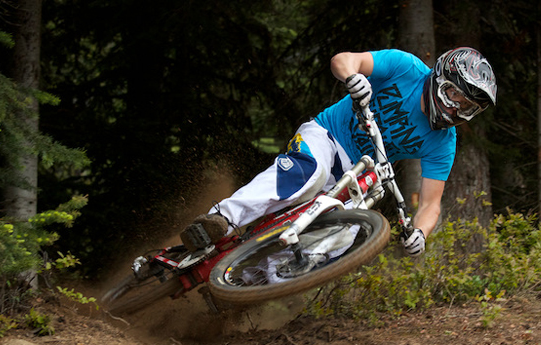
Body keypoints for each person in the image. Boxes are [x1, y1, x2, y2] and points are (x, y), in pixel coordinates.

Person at [180, 47, 497, 257]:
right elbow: (344, 59)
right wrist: (353, 77)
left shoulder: (444, 142)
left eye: (468, 106)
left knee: (343, 236)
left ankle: (250, 282)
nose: (457, 108)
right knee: (306, 175)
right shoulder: (407, 68)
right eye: (456, 95)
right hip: (327, 137)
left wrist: (422, 234)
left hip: (359, 173)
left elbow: (430, 204)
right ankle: (221, 219)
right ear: (441, 79)